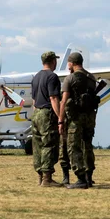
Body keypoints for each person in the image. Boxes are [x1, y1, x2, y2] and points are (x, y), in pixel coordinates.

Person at [59, 52, 98, 189]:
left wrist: (60, 120)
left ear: (71, 63)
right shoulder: (91, 78)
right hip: (89, 118)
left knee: (73, 147)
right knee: (87, 146)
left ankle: (80, 178)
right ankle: (89, 176)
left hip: (75, 118)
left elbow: (63, 101)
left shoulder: (70, 79)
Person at [31, 51, 62, 187]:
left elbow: (33, 100)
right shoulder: (52, 77)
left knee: (37, 145)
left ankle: (40, 177)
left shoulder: (36, 77)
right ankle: (47, 178)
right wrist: (60, 117)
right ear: (53, 61)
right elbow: (54, 98)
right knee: (49, 144)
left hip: (36, 113)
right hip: (46, 113)